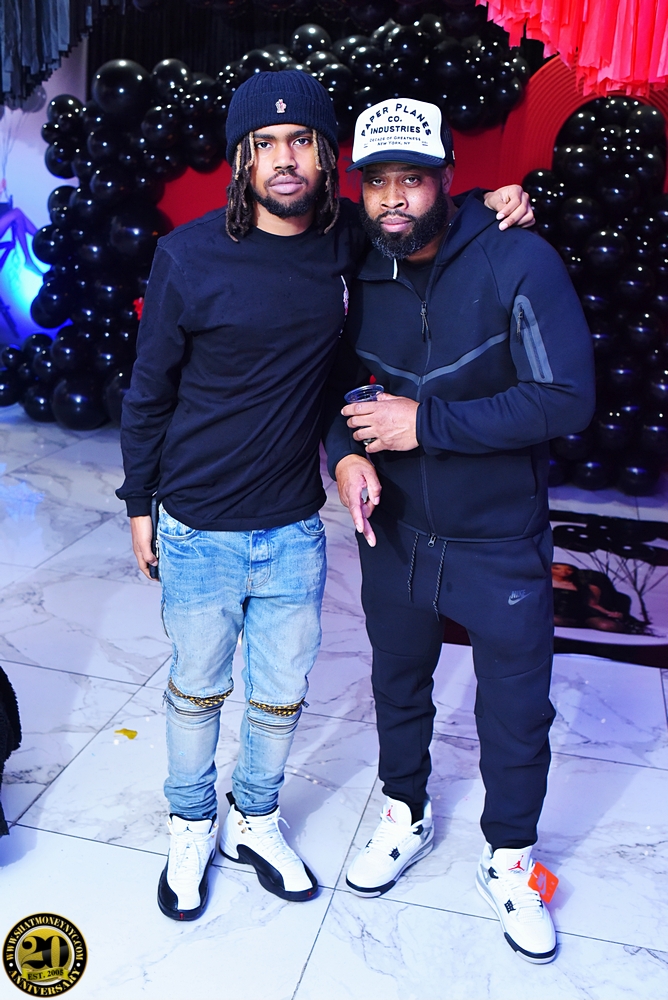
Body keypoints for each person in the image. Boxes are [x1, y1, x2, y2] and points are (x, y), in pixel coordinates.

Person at [116, 71, 534, 923]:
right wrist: (138, 502)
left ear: (326, 155)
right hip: (197, 522)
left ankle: (255, 819)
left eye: (301, 141)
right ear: (241, 159)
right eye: (264, 144)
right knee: (196, 692)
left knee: (278, 696)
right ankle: (190, 826)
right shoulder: (188, 256)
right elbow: (148, 390)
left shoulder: (345, 236)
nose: (284, 159)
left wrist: (500, 199)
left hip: (292, 526)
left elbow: (420, 213)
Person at [325, 97, 596, 964]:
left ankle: (510, 858)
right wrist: (346, 456)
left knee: (515, 710)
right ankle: (404, 812)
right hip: (394, 529)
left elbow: (566, 399)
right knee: (398, 684)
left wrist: (425, 424)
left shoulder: (519, 258)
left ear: (448, 180)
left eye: (412, 179)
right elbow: (330, 381)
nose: (393, 199)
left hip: (498, 536)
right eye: (377, 183)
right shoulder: (358, 265)